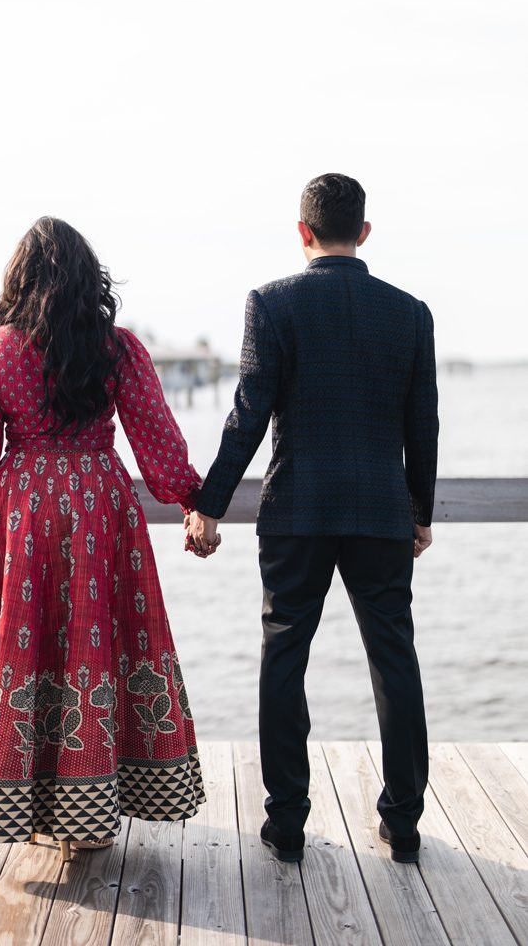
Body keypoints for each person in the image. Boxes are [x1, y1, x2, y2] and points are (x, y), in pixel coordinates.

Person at [0, 217, 215, 854]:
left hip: (21, 507)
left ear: (18, 278)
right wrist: (191, 499)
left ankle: (33, 808)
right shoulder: (118, 347)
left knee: (28, 649)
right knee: (93, 647)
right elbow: (155, 438)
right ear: (86, 277)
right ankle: (91, 806)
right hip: (101, 503)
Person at [187, 173, 438, 864]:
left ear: (302, 232)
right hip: (381, 510)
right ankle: (404, 820)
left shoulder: (272, 303)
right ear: (362, 231)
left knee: (283, 655)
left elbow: (248, 414)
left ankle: (286, 821)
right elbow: (423, 424)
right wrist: (418, 509)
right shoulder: (409, 312)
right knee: (394, 657)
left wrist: (208, 506)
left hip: (296, 508)